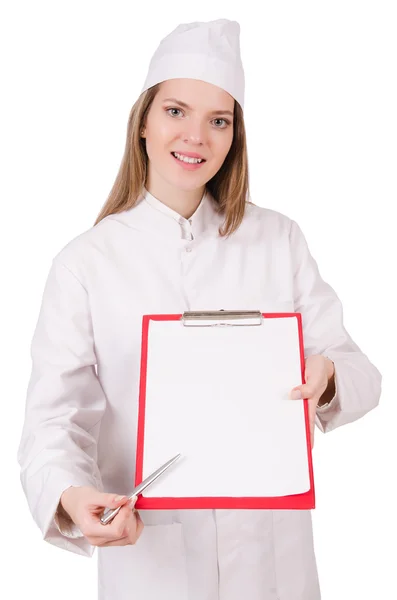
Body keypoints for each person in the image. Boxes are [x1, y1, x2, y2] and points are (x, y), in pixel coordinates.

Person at [17, 18, 381, 600]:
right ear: (143, 122)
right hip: (152, 565)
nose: (196, 137)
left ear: (235, 136)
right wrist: (70, 495)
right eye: (176, 111)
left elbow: (360, 372)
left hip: (273, 564)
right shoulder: (86, 263)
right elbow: (54, 421)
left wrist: (329, 375)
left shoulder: (278, 240)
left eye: (219, 121)